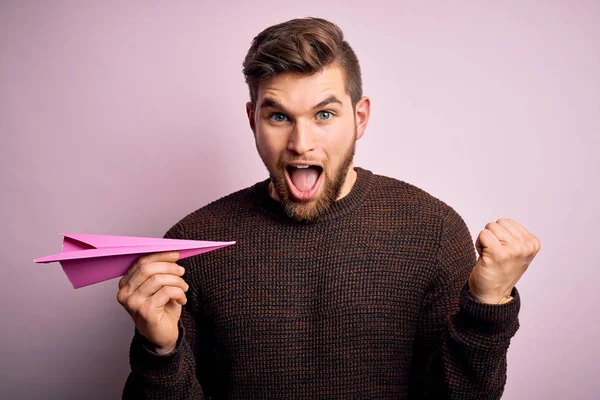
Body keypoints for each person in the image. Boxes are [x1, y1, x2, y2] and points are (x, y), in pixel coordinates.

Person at [117, 17, 541, 399]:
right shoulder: (191, 246)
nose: (302, 143)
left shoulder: (433, 231)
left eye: (324, 114)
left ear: (359, 118)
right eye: (279, 117)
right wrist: (160, 350)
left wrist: (488, 305)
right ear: (252, 121)